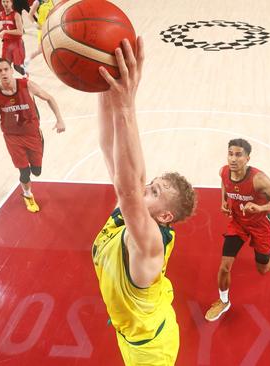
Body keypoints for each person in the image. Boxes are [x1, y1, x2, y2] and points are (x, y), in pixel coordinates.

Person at [92, 37, 196, 365]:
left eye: (153, 192)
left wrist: (126, 104)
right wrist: (102, 85)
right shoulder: (131, 215)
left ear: (164, 216)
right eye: (150, 185)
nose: (144, 188)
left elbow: (127, 189)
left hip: (150, 350)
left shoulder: (149, 240)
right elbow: (109, 148)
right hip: (133, 331)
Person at [204, 139, 270, 322]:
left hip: (261, 225)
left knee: (264, 269)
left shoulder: (258, 179)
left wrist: (261, 208)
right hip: (238, 224)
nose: (233, 159)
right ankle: (224, 301)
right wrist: (224, 201)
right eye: (230, 153)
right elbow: (224, 184)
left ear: (247, 158)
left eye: (238, 155)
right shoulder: (224, 171)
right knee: (224, 267)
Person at [0, 57, 65, 212]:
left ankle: (37, 155)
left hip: (32, 133)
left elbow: (49, 98)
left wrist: (59, 120)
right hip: (12, 137)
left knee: (37, 172)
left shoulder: (27, 85)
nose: (3, 73)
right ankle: (27, 195)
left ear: (11, 70)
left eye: (6, 69)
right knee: (24, 171)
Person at [0, 0, 27, 76]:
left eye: (7, 2)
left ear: (11, 3)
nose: (5, 4)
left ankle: (26, 76)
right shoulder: (2, 14)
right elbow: (5, 26)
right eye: (3, 2)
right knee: (5, 65)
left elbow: (20, 32)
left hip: (16, 43)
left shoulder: (16, 15)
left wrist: (5, 32)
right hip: (6, 43)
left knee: (17, 67)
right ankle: (8, 84)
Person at [24, 0, 54, 68]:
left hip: (51, 26)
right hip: (42, 28)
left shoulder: (50, 0)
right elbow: (30, 15)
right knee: (40, 50)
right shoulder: (37, 2)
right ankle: (27, 60)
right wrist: (35, 24)